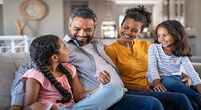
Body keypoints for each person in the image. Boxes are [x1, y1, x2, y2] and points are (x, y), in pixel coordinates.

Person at [10, 7, 165, 110]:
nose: (82, 34)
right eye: (77, 28)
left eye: (88, 29)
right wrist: (16, 105)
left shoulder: (99, 45)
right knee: (153, 104)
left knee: (174, 100)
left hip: (120, 91)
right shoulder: (59, 48)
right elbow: (27, 69)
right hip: (98, 97)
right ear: (69, 25)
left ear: (95, 28)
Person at [105, 6, 194, 110]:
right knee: (181, 98)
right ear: (120, 26)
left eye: (134, 30)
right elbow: (113, 82)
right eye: (125, 27)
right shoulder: (111, 50)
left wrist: (185, 76)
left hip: (156, 85)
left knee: (192, 97)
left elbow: (167, 64)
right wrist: (142, 88)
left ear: (141, 32)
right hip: (134, 90)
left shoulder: (147, 45)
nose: (128, 32)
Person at [22, 35, 123, 110]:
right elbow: (28, 107)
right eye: (64, 48)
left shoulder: (70, 69)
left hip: (74, 107)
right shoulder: (35, 75)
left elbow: (79, 96)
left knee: (115, 88)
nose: (67, 50)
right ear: (54, 57)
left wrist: (101, 87)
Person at [146, 20, 201, 108]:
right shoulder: (154, 48)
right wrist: (157, 82)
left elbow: (192, 72)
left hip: (174, 80)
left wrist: (199, 86)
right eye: (159, 35)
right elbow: (152, 67)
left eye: (165, 35)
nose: (161, 39)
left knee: (169, 81)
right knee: (171, 87)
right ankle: (197, 98)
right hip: (157, 82)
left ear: (177, 35)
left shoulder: (181, 52)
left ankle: (197, 98)